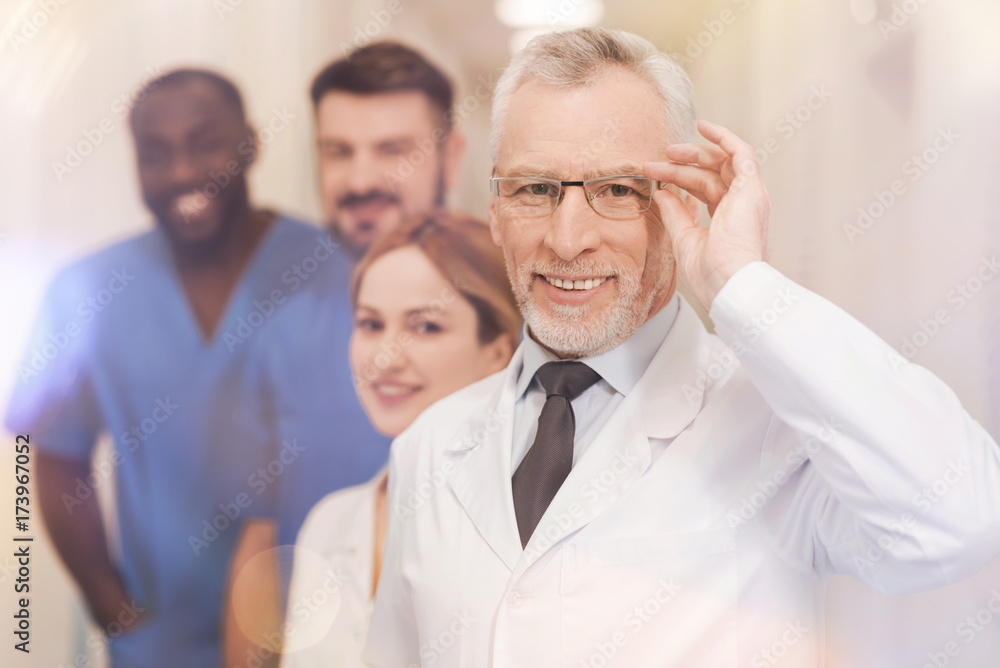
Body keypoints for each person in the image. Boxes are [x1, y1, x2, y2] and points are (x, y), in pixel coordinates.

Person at [364, 27, 1000, 667]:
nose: (567, 239)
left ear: (682, 204)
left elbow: (959, 517)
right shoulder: (429, 445)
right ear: (495, 212)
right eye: (534, 189)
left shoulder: (777, 429)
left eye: (618, 190)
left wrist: (742, 286)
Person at [4, 69, 328, 667]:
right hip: (162, 646)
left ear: (251, 144)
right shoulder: (87, 292)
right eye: (155, 153)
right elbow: (52, 456)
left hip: (320, 636)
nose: (181, 171)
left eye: (206, 144)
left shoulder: (331, 272)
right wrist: (112, 607)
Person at [219, 42, 466, 665]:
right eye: (338, 151)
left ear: (451, 157)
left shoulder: (515, 318)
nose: (360, 181)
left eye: (393, 150)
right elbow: (260, 541)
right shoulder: (281, 330)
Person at [278, 211, 520, 667]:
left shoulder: (525, 536)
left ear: (498, 352)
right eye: (371, 324)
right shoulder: (330, 524)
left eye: (425, 326)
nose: (386, 358)